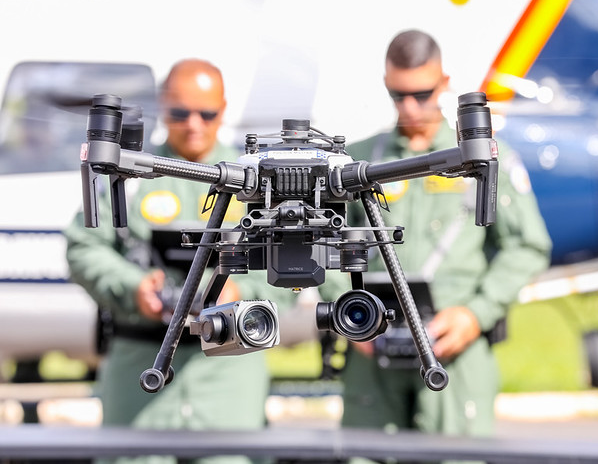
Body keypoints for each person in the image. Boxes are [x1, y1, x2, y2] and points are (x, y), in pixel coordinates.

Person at [322, 30, 552, 442]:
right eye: (398, 95)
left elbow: (529, 245)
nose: (410, 106)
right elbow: (322, 245)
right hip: (373, 347)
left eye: (423, 94)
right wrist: (346, 311)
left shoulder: (482, 159)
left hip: (453, 348)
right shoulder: (356, 163)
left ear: (445, 83)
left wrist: (476, 314)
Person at [64, 59, 280, 464]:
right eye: (181, 112)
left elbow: (294, 267)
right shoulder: (126, 174)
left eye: (207, 113)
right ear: (164, 106)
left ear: (224, 108)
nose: (194, 123)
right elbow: (82, 247)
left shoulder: (258, 183)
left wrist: (240, 291)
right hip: (140, 370)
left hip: (227, 374)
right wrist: (133, 286)